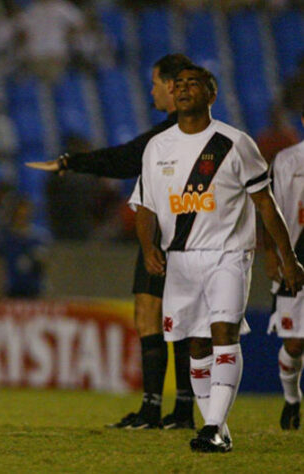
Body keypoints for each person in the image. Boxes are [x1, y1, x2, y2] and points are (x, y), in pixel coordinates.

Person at [131, 64, 304, 452]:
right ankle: (216, 429)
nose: (184, 89)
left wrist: (286, 257)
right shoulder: (157, 147)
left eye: (196, 84)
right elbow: (145, 205)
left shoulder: (235, 143)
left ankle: (212, 425)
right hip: (180, 259)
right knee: (196, 346)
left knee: (223, 334)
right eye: (180, 84)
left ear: (212, 95)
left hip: (228, 254)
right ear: (172, 96)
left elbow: (266, 204)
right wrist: (147, 247)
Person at [26, 53, 195, 429]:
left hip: (182, 237)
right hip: (162, 235)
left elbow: (124, 160)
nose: (151, 90)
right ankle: (165, 408)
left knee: (170, 317)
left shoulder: (181, 135)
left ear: (171, 86)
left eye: (154, 83)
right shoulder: (175, 131)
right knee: (156, 314)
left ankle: (172, 408)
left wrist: (72, 162)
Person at [264, 106, 304, 430]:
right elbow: (268, 207)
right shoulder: (287, 160)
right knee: (294, 344)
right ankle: (292, 399)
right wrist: (271, 252)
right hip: (295, 261)